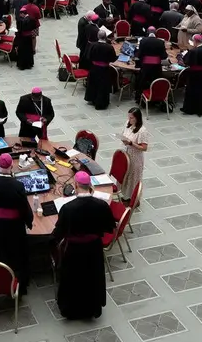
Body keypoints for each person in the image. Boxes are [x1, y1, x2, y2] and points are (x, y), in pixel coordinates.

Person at [51, 170, 117, 321]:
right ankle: (92, 309)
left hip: (73, 250)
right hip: (93, 249)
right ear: (90, 186)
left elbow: (59, 232)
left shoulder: (67, 208)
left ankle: (70, 310)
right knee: (91, 278)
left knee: (73, 280)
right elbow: (109, 227)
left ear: (75, 185)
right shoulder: (101, 205)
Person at [0, 152, 33, 290]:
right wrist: (29, 221)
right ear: (11, 165)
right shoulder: (18, 185)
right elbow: (23, 207)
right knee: (15, 251)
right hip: (13, 226)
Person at [118, 107, 149, 202]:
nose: (129, 119)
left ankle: (135, 199)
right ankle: (126, 195)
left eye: (131, 118)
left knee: (133, 178)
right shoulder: (128, 124)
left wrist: (131, 143)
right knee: (125, 176)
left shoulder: (142, 131)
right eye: (129, 117)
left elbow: (144, 148)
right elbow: (124, 134)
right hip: (126, 154)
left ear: (137, 118)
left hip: (135, 157)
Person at [179, 33, 202, 115]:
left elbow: (187, 62)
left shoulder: (194, 51)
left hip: (194, 75)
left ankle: (191, 109)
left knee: (193, 91)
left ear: (195, 42)